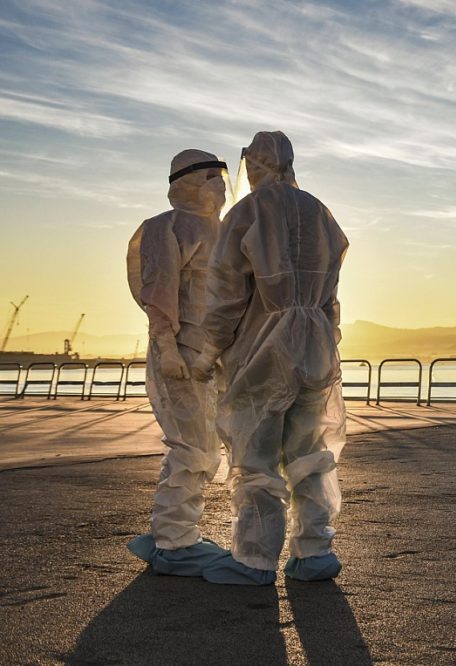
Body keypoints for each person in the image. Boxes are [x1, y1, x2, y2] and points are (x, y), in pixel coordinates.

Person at [193, 131, 349, 585]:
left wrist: (208, 350)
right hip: (316, 344)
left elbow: (225, 293)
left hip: (262, 348)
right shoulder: (320, 212)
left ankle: (255, 559)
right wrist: (328, 335)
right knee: (311, 447)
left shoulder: (248, 211)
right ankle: (315, 551)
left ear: (256, 164)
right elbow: (332, 292)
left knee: (256, 450)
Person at [125, 149, 230, 575]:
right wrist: (167, 346)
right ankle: (173, 542)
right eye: (210, 177)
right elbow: (158, 289)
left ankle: (175, 532)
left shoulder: (224, 230)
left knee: (208, 446)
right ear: (185, 182)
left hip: (214, 355)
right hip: (182, 353)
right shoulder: (162, 228)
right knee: (193, 448)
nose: (219, 186)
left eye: (222, 176)